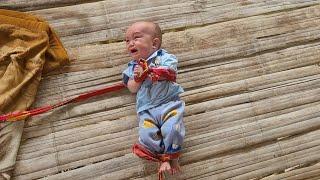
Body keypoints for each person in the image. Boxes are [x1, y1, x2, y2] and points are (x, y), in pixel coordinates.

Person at [122, 21, 185, 176]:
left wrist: (151, 71)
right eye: (127, 40)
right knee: (146, 134)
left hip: (168, 104)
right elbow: (131, 88)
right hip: (146, 109)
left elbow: (170, 71)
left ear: (154, 43)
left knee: (172, 128)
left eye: (136, 38)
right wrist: (137, 78)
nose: (131, 43)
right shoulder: (132, 67)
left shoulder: (164, 57)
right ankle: (163, 159)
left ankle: (172, 156)